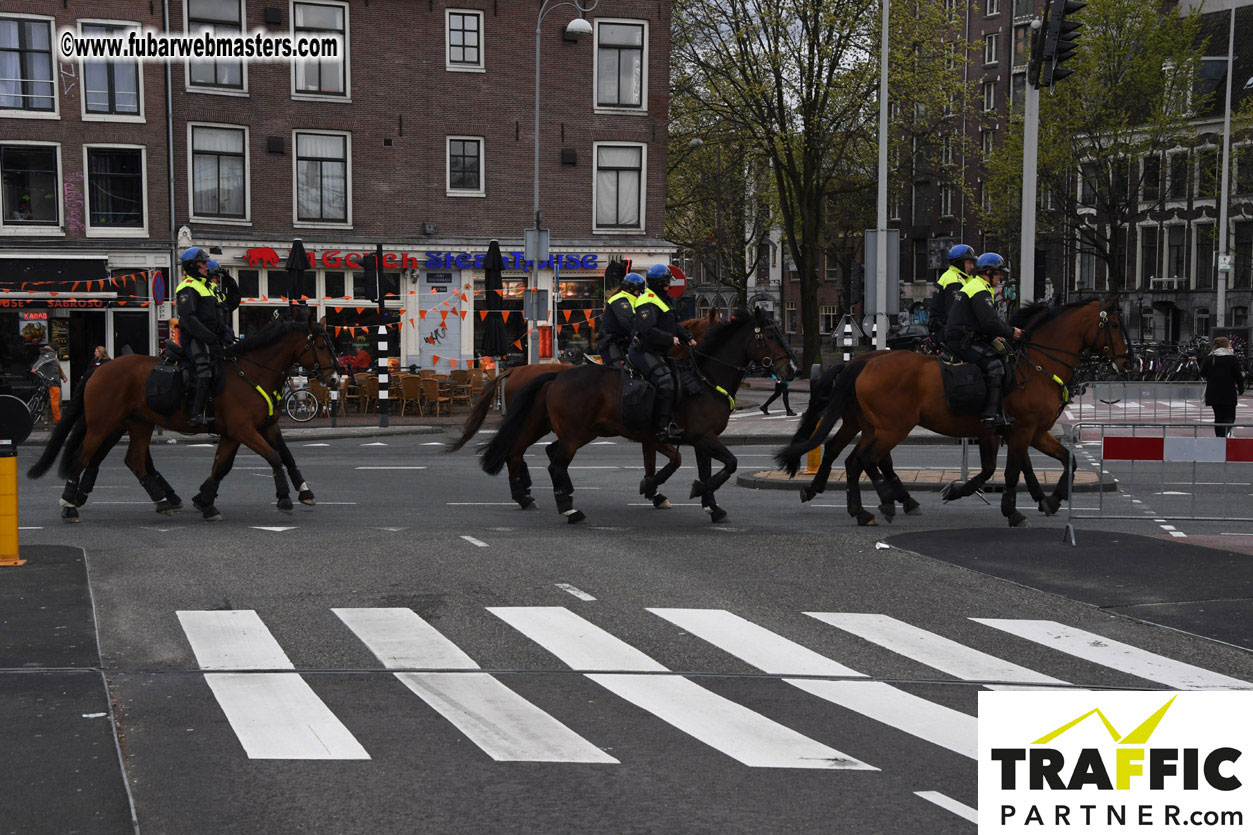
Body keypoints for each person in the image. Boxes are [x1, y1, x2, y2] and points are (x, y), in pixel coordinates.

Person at [944, 252, 1023, 429]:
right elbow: (989, 321)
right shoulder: (979, 289)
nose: (1001, 277)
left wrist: (996, 335)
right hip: (961, 340)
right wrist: (1011, 332)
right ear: (988, 272)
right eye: (999, 273)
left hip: (967, 337)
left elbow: (982, 321)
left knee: (1003, 354)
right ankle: (989, 415)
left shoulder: (980, 286)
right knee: (994, 366)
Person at [630, 264, 695, 441]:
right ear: (659, 283)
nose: (670, 284)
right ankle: (661, 428)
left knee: (678, 378)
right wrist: (670, 339)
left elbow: (674, 324)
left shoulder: (667, 300)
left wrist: (688, 338)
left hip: (659, 351)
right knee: (665, 381)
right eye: (667, 281)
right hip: (644, 350)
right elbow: (647, 330)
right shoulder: (647, 301)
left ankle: (674, 419)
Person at [175, 246, 234, 427]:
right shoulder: (187, 286)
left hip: (211, 340)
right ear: (192, 266)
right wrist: (210, 337)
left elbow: (218, 315)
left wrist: (225, 332)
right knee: (203, 370)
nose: (206, 266)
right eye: (203, 263)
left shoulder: (206, 286)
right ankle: (194, 414)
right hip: (194, 339)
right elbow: (189, 319)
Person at [597, 271, 645, 367]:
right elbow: (628, 322)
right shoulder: (620, 300)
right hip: (611, 343)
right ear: (631, 288)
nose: (639, 294)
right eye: (638, 291)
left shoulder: (633, 300)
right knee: (618, 370)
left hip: (624, 342)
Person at [1200, 336, 1245, 437]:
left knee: (1218, 417)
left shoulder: (1210, 358)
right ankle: (1223, 435)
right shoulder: (1231, 359)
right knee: (1230, 417)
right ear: (1227, 345)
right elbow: (1238, 376)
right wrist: (1241, 388)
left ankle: (1219, 438)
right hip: (1228, 392)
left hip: (1213, 392)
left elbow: (1202, 373)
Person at [929, 244, 976, 337]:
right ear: (959, 263)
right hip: (948, 332)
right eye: (969, 263)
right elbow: (956, 312)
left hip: (944, 329)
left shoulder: (954, 277)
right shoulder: (954, 281)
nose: (972, 267)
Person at [30, 344, 66, 424]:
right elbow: (43, 361)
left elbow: (57, 368)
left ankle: (43, 419)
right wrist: (35, 368)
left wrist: (63, 377)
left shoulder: (43, 354)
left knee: (44, 401)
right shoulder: (50, 354)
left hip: (44, 381)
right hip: (53, 381)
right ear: (55, 350)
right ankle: (57, 419)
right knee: (55, 402)